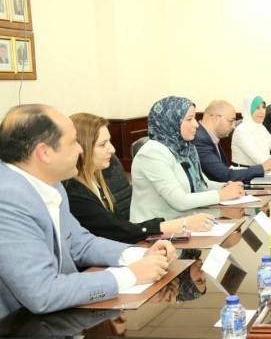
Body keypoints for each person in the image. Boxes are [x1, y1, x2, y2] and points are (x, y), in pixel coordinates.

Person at [0, 104, 175, 316]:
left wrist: (139, 255)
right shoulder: (7, 199)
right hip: (17, 323)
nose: (81, 150)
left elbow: (80, 243)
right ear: (44, 153)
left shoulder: (50, 183)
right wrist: (130, 275)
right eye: (73, 142)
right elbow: (42, 293)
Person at [63, 113, 215, 243]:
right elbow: (115, 231)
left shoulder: (95, 179)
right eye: (103, 144)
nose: (113, 149)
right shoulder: (74, 192)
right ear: (82, 148)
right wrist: (181, 224)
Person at [131, 96, 244, 222]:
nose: (196, 124)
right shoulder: (152, 153)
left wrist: (226, 186)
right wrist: (221, 194)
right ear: (172, 121)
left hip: (185, 221)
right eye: (189, 119)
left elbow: (202, 184)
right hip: (157, 228)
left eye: (194, 118)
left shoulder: (185, 148)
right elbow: (180, 201)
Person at [195, 100, 271, 182]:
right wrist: (263, 167)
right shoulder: (200, 140)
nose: (233, 126)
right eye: (231, 121)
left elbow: (225, 170)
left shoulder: (210, 137)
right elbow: (224, 175)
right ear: (217, 118)